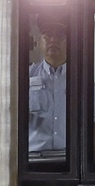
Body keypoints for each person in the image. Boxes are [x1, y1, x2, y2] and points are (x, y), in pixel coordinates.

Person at [28, 17, 72, 154]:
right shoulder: (27, 76)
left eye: (59, 36)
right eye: (47, 36)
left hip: (70, 159)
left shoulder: (80, 79)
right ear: (38, 42)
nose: (53, 40)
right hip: (33, 157)